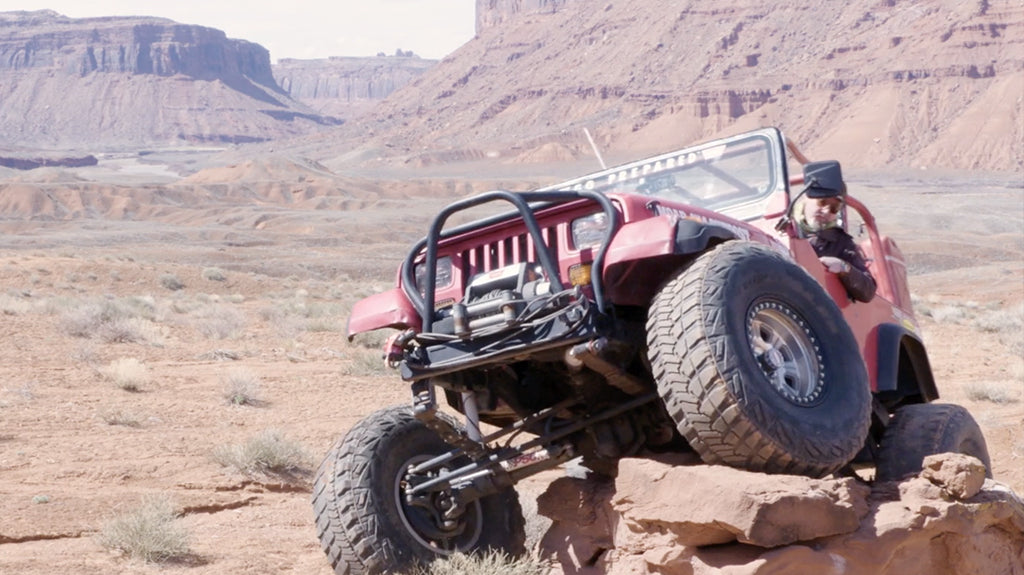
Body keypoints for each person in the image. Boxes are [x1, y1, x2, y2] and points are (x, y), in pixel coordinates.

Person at [798, 162, 877, 303]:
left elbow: (868, 291)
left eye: (834, 208)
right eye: (822, 202)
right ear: (806, 197)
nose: (827, 211)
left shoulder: (840, 243)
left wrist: (843, 267)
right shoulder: (778, 229)